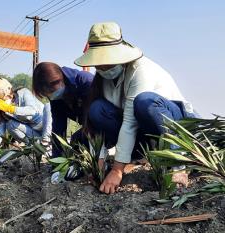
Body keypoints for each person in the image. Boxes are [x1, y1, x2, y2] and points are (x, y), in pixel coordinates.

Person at [74, 22, 198, 194]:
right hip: (146, 131)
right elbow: (98, 129)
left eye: (106, 63)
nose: (103, 69)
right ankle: (137, 157)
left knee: (144, 102)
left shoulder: (140, 69)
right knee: (97, 109)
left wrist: (117, 170)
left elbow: (130, 122)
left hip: (177, 124)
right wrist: (99, 163)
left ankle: (179, 163)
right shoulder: (104, 79)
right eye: (99, 65)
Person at [0, 78, 52, 174]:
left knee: (49, 106)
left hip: (48, 127)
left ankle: (46, 143)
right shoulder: (2, 110)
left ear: (8, 92)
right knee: (10, 124)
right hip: (34, 133)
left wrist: (11, 109)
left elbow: (32, 111)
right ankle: (40, 147)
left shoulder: (23, 93)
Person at [32, 62, 94, 158]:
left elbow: (98, 115)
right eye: (47, 94)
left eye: (52, 91)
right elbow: (58, 129)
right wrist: (57, 160)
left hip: (106, 126)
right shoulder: (56, 98)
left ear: (59, 80)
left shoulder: (85, 81)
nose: (51, 95)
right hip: (88, 129)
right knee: (76, 142)